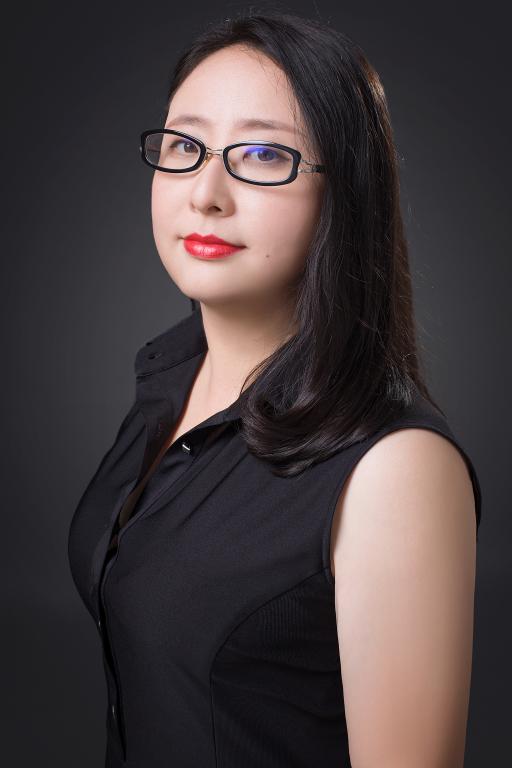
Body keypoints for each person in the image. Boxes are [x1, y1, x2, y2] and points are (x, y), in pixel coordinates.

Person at [67, 9, 482, 768]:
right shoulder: (171, 378)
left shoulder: (395, 468)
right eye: (185, 146)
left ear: (345, 192)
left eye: (262, 155)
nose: (205, 193)